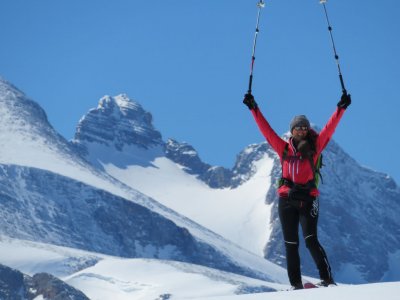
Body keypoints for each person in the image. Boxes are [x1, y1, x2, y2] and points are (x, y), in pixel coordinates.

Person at [243, 92, 351, 289]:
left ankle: (327, 279)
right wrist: (253, 108)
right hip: (287, 200)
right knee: (291, 244)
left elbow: (329, 129)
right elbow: (266, 131)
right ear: (292, 130)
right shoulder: (283, 149)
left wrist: (340, 108)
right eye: (298, 127)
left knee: (311, 240)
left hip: (309, 199)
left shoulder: (315, 147)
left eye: (304, 127)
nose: (301, 130)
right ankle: (296, 285)